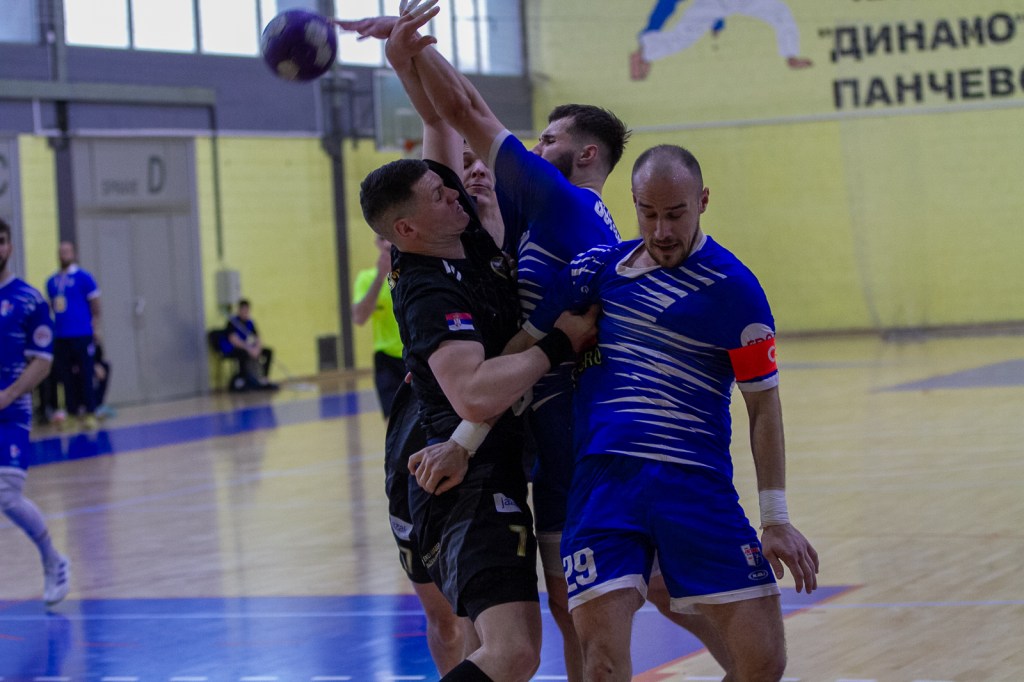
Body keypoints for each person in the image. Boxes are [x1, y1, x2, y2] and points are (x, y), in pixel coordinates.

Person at [355, 2, 732, 677]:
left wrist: (414, 49)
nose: (532, 146)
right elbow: (443, 129)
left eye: (549, 136)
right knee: (574, 615)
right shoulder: (514, 226)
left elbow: (462, 112)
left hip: (576, 436)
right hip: (537, 435)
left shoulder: (562, 203)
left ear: (585, 154)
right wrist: (406, 63)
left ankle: (752, 664)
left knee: (590, 617)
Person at [524, 144, 820, 681]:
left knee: (763, 662)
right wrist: (464, 436)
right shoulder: (594, 272)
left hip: (696, 485)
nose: (661, 230)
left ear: (702, 201)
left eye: (676, 214)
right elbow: (518, 354)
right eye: (649, 213)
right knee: (601, 665)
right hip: (603, 486)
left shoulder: (736, 290)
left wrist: (775, 517)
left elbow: (763, 406)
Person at [359, 133, 598, 682]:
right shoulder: (429, 286)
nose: (456, 188)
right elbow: (474, 392)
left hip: (493, 462)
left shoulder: (466, 235)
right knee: (505, 648)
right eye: (441, 189)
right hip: (455, 473)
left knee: (489, 642)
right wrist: (558, 344)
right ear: (407, 229)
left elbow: (440, 123)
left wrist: (413, 62)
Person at [0, 218, 71, 608]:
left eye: (1, 241)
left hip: (10, 413)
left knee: (7, 496)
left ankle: (53, 560)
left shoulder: (29, 301)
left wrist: (8, 395)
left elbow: (42, 362)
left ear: (10, 247)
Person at [629, 0, 812, 81]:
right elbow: (667, 3)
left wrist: (718, 23)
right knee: (685, 35)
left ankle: (791, 56)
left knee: (780, 12)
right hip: (716, 2)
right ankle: (644, 52)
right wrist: (650, 31)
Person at [45, 240, 101, 430]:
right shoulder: (52, 281)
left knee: (86, 373)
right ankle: (71, 412)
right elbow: (51, 306)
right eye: (61, 252)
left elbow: (95, 305)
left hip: (82, 333)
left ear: (74, 253)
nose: (64, 255)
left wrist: (95, 327)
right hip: (61, 335)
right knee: (65, 376)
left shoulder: (84, 277)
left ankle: (91, 412)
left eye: (67, 251)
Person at [352, 235, 406, 418]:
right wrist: (379, 277)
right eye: (382, 238)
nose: (387, 243)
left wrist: (393, 273)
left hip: (415, 355)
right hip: (388, 359)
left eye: (390, 238)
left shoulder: (410, 274)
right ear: (377, 243)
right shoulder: (367, 278)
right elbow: (359, 318)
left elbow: (395, 285)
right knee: (394, 418)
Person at [225, 299, 277, 391]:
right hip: (237, 348)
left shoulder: (250, 323)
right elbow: (234, 340)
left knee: (268, 352)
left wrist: (257, 348)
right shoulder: (233, 322)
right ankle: (243, 379)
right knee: (242, 353)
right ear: (239, 310)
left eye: (247, 310)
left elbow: (258, 337)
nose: (245, 312)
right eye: (243, 310)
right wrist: (249, 349)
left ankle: (264, 378)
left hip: (250, 348)